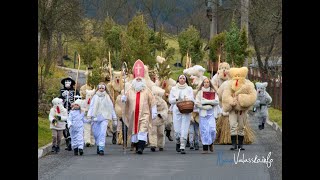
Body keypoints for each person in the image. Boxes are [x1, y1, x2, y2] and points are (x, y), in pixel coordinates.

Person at [121, 59, 157, 154]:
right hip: (133, 115)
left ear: (143, 80)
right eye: (137, 79)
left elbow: (152, 101)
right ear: (134, 80)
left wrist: (154, 111)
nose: (138, 80)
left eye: (140, 79)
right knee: (135, 131)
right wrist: (124, 99)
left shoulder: (147, 90)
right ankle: (137, 146)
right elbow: (125, 101)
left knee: (143, 129)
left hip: (144, 114)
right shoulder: (129, 90)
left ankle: (141, 147)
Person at [87, 82, 118, 155]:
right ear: (98, 88)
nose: (101, 89)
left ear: (105, 89)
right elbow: (91, 107)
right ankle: (98, 144)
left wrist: (114, 118)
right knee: (96, 133)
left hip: (105, 117)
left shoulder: (107, 97)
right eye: (100, 88)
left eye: (102, 88)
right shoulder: (94, 97)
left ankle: (101, 147)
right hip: (95, 117)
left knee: (102, 132)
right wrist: (89, 116)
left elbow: (111, 108)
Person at [168, 74, 194, 154]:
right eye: (180, 78)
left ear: (186, 80)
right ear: (178, 80)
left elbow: (192, 99)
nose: (182, 79)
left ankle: (183, 146)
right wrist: (176, 99)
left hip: (186, 109)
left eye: (183, 78)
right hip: (177, 109)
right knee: (177, 129)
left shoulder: (189, 88)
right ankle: (178, 141)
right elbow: (170, 100)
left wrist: (187, 99)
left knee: (185, 128)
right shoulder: (173, 89)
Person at [195, 78, 219, 154]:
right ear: (202, 83)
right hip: (203, 114)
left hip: (211, 113)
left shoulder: (213, 92)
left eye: (207, 82)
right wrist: (203, 107)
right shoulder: (199, 93)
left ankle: (211, 142)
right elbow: (197, 103)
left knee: (212, 130)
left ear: (209, 83)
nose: (206, 83)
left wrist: (207, 102)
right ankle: (205, 148)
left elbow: (217, 101)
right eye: (204, 82)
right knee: (204, 131)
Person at [59, 76, 80, 151]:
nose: (67, 83)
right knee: (65, 127)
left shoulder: (75, 91)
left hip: (73, 112)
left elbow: (79, 100)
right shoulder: (62, 91)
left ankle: (74, 141)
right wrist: (62, 97)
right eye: (66, 81)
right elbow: (59, 101)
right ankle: (68, 141)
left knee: (72, 126)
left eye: (69, 81)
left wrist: (76, 99)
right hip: (64, 111)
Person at [149, 86, 168, 152]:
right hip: (153, 119)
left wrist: (162, 115)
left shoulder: (163, 102)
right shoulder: (150, 102)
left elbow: (166, 110)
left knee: (161, 133)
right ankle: (153, 144)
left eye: (158, 95)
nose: (156, 96)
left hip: (160, 119)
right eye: (155, 94)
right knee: (152, 132)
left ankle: (161, 145)